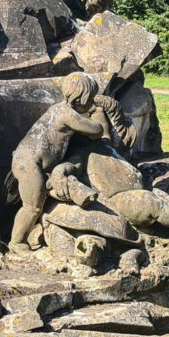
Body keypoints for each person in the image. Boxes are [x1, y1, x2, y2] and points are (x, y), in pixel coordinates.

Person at [8, 72, 105, 251]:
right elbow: (97, 130)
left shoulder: (59, 109)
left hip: (29, 161)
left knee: (38, 203)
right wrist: (98, 112)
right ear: (82, 96)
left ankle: (31, 234)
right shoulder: (67, 115)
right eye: (90, 96)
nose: (92, 100)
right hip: (30, 164)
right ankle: (16, 243)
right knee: (32, 207)